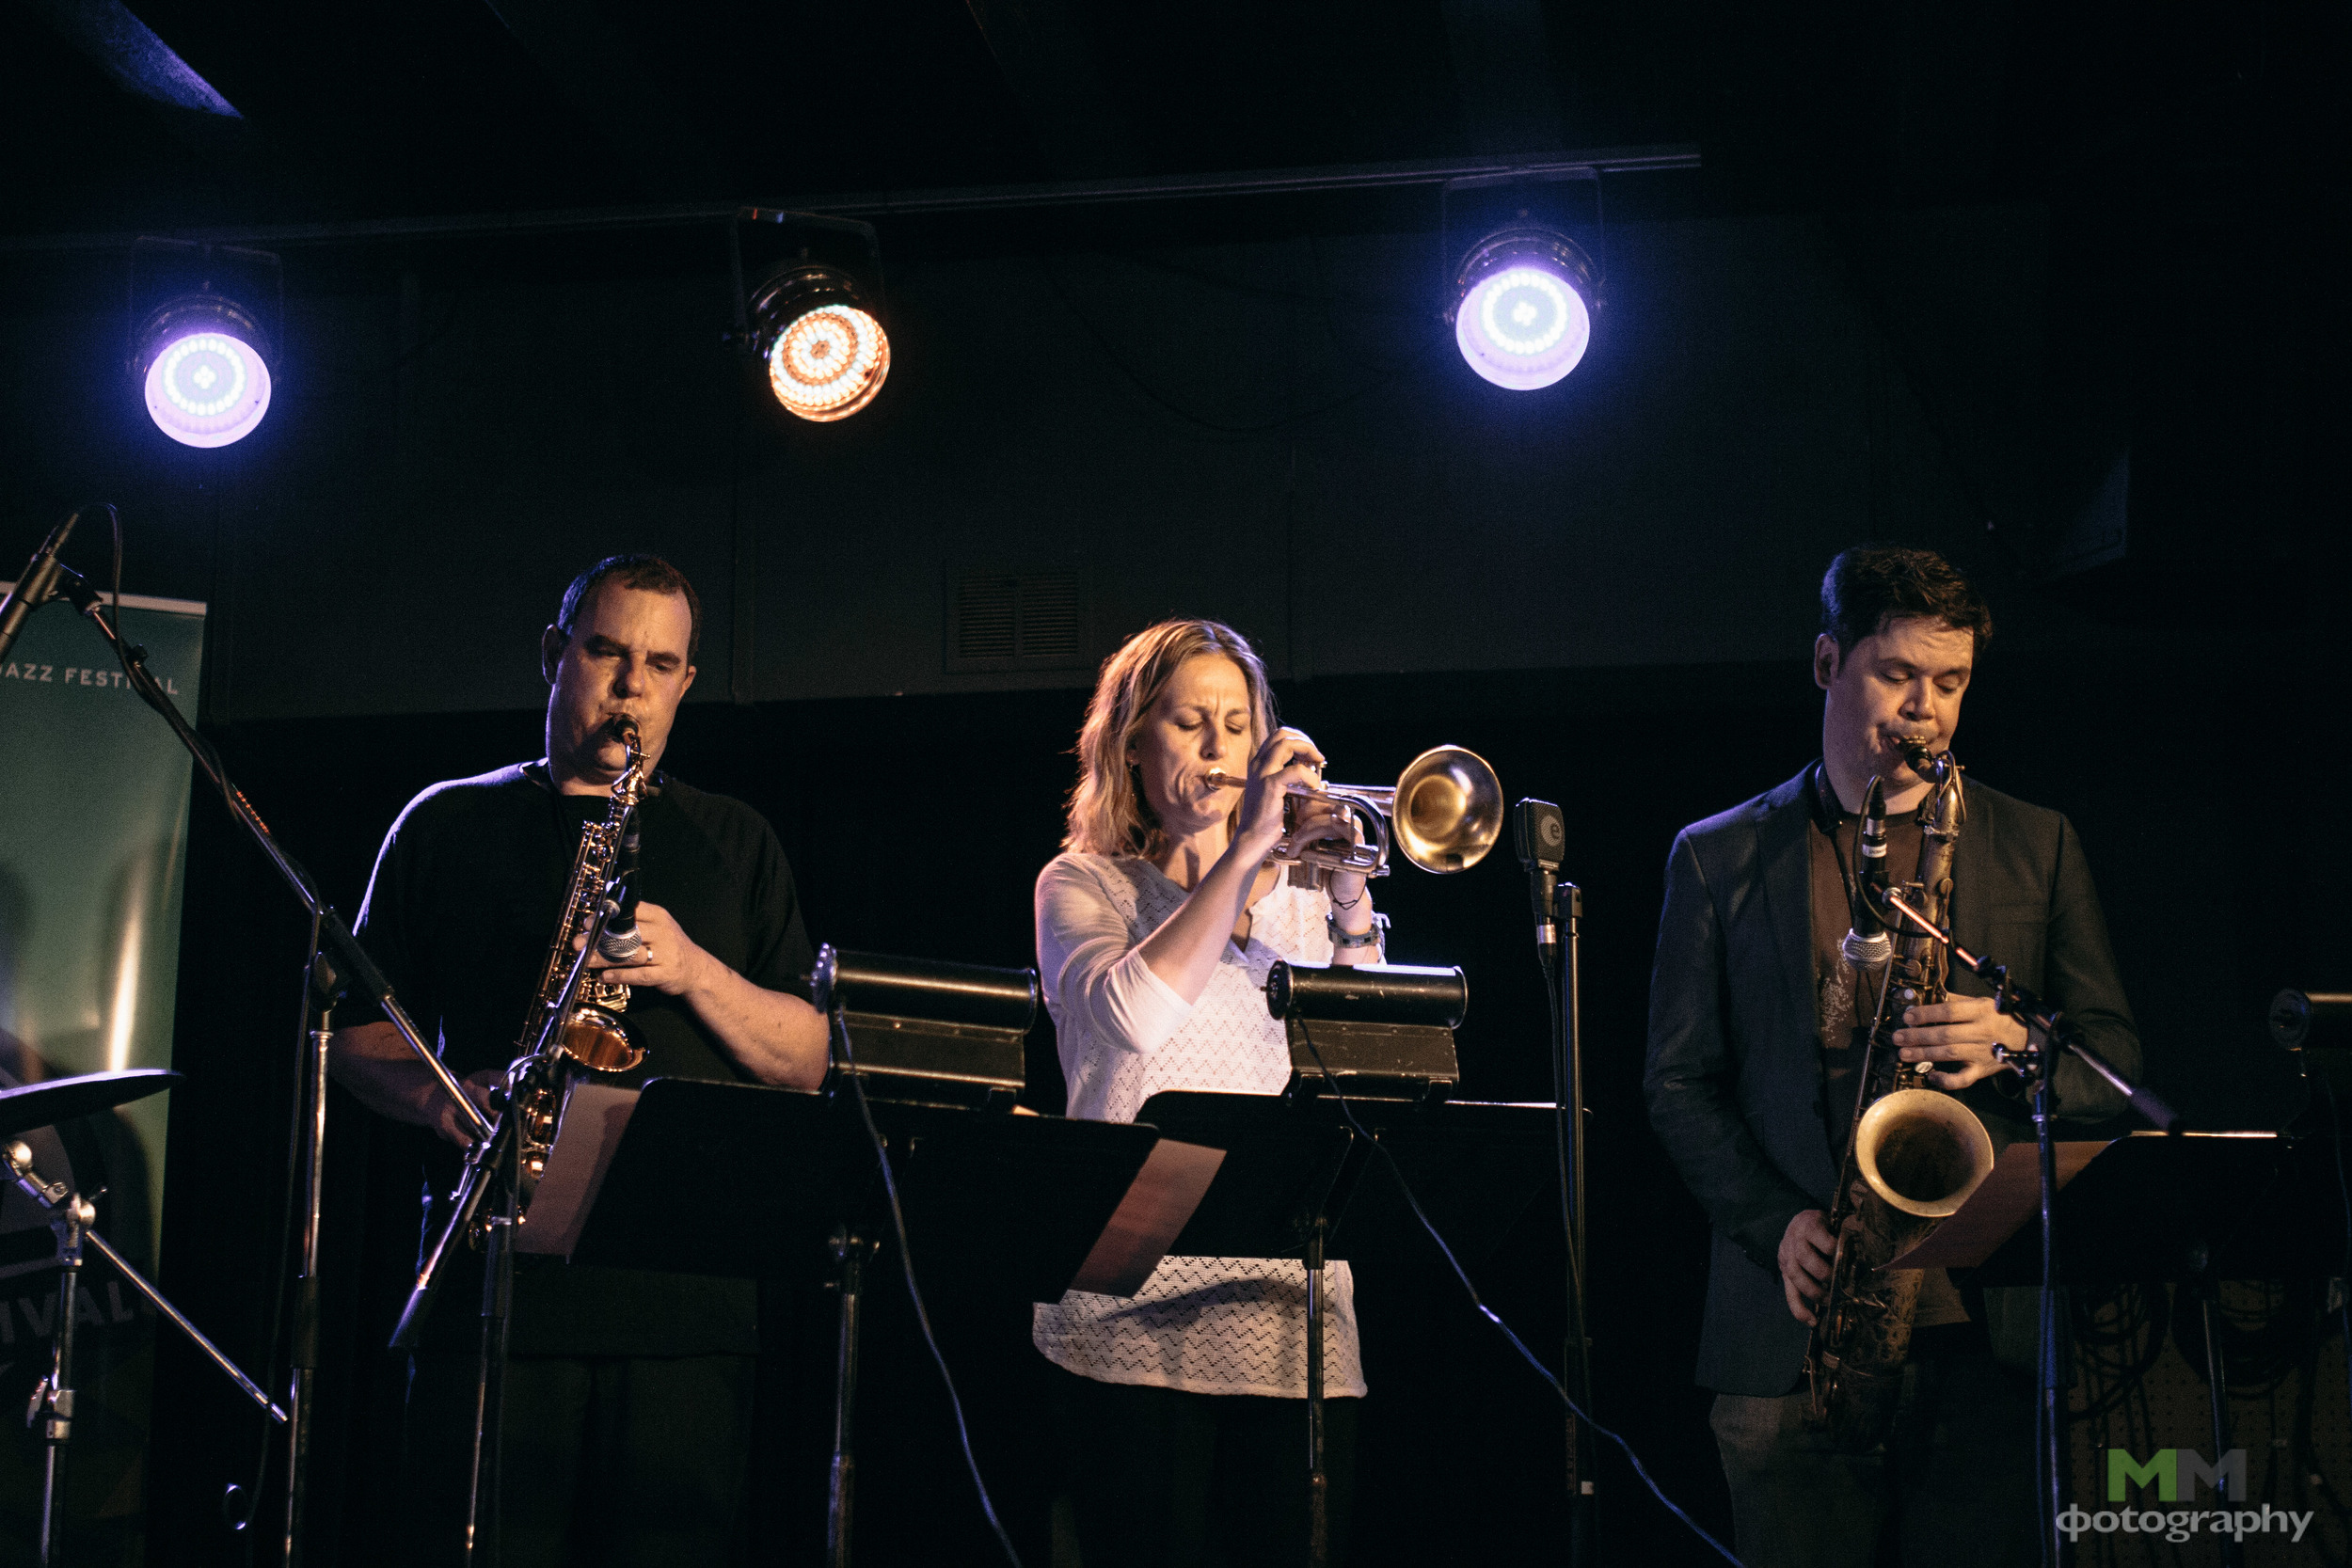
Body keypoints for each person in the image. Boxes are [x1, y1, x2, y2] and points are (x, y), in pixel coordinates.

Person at [1642, 545, 2142, 1567]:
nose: (1925, 709)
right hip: (1790, 1337)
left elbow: (2115, 1059)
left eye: (1949, 682)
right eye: (1897, 674)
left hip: (1981, 1338)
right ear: (1828, 661)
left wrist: (2015, 1041)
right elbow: (1676, 1081)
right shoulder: (1717, 854)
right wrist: (1776, 1223)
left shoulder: (2034, 841)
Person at [328, 554, 829, 1566]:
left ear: (687, 680)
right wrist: (443, 1095)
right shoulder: (444, 821)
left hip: (690, 1304)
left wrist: (694, 969)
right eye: (607, 651)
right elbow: (349, 1035)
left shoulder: (738, 839)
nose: (631, 683)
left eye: (660, 662)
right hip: (496, 1293)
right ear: (556, 654)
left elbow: (810, 1059)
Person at [1032, 619, 1385, 1568]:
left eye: (1238, 722)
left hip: (1291, 1320)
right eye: (1190, 721)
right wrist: (1245, 857)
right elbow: (1133, 1015)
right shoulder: (1083, 884)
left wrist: (1349, 896)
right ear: (1132, 742)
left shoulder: (1306, 897)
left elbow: (1371, 1060)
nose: (1220, 746)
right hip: (1124, 1319)